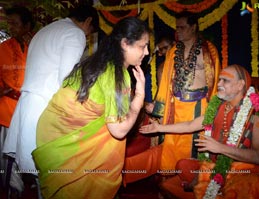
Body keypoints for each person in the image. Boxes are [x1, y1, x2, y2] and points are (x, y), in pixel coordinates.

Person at [31, 16, 149, 198]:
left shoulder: (96, 61)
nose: (147, 52)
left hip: (51, 133)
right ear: (125, 43)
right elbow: (118, 130)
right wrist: (139, 98)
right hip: (67, 142)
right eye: (142, 46)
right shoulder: (115, 73)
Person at [140, 64, 259, 199]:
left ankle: (211, 185)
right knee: (183, 165)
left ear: (240, 85)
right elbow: (190, 125)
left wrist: (220, 148)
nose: (219, 84)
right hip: (214, 166)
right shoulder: (218, 107)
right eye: (220, 79)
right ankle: (209, 183)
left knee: (249, 185)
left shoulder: (257, 113)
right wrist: (159, 128)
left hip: (244, 171)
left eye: (225, 80)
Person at [2, 4, 99, 182]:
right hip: (46, 107)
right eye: (89, 32)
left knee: (42, 174)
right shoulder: (74, 33)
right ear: (88, 21)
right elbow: (67, 79)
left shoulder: (46, 30)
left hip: (28, 103)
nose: (86, 36)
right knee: (52, 174)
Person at [145, 11, 220, 174]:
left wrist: (213, 111)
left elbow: (214, 84)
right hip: (175, 107)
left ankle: (195, 184)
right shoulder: (172, 52)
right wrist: (159, 109)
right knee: (172, 147)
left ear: (194, 27)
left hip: (199, 107)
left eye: (182, 27)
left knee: (196, 150)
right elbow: (165, 83)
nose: (177, 31)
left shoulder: (209, 51)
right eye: (176, 27)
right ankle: (170, 180)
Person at [0, 5, 34, 189]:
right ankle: (13, 188)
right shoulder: (3, 48)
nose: (11, 28)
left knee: (26, 146)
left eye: (15, 23)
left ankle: (27, 182)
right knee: (8, 151)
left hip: (30, 107)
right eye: (9, 23)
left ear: (27, 25)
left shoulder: (36, 46)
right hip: (7, 109)